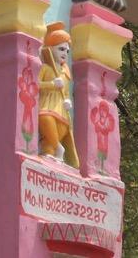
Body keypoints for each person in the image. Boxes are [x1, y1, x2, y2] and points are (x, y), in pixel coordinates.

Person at [38, 21, 79, 167]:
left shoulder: (66, 73)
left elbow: (66, 93)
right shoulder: (45, 68)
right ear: (51, 48)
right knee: (44, 117)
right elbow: (35, 84)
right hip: (47, 106)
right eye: (61, 49)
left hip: (61, 111)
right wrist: (51, 84)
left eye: (67, 51)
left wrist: (68, 102)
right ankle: (59, 149)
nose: (64, 54)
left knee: (48, 146)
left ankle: (53, 152)